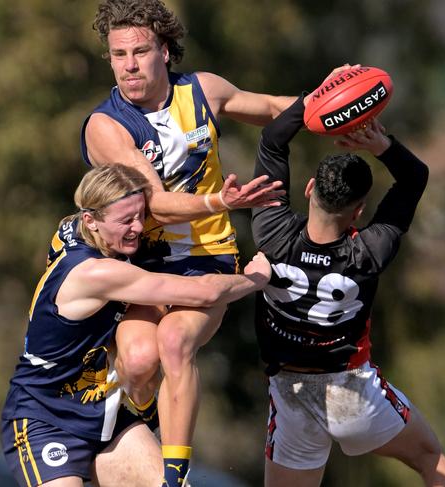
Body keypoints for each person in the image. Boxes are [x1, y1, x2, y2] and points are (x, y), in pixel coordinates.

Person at [81, 1, 301, 485]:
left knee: (175, 341)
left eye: (140, 51)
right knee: (138, 360)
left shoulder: (202, 91)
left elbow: (271, 109)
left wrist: (335, 102)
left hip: (209, 258)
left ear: (164, 50)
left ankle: (173, 476)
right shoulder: (106, 126)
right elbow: (154, 204)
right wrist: (220, 202)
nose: (129, 65)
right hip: (145, 266)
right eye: (118, 54)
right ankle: (143, 420)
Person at [250, 77, 445, 486]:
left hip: (290, 393)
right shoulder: (370, 252)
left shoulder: (270, 231)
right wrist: (379, 143)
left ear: (310, 188)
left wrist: (316, 98)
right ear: (360, 209)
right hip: (352, 394)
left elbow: (272, 141)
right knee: (429, 457)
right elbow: (414, 177)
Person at [0, 164, 271, 487]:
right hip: (44, 418)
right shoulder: (95, 273)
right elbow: (206, 291)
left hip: (104, 413)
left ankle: (145, 409)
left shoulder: (73, 229)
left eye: (141, 216)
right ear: (91, 220)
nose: (138, 228)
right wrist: (256, 278)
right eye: (125, 220)